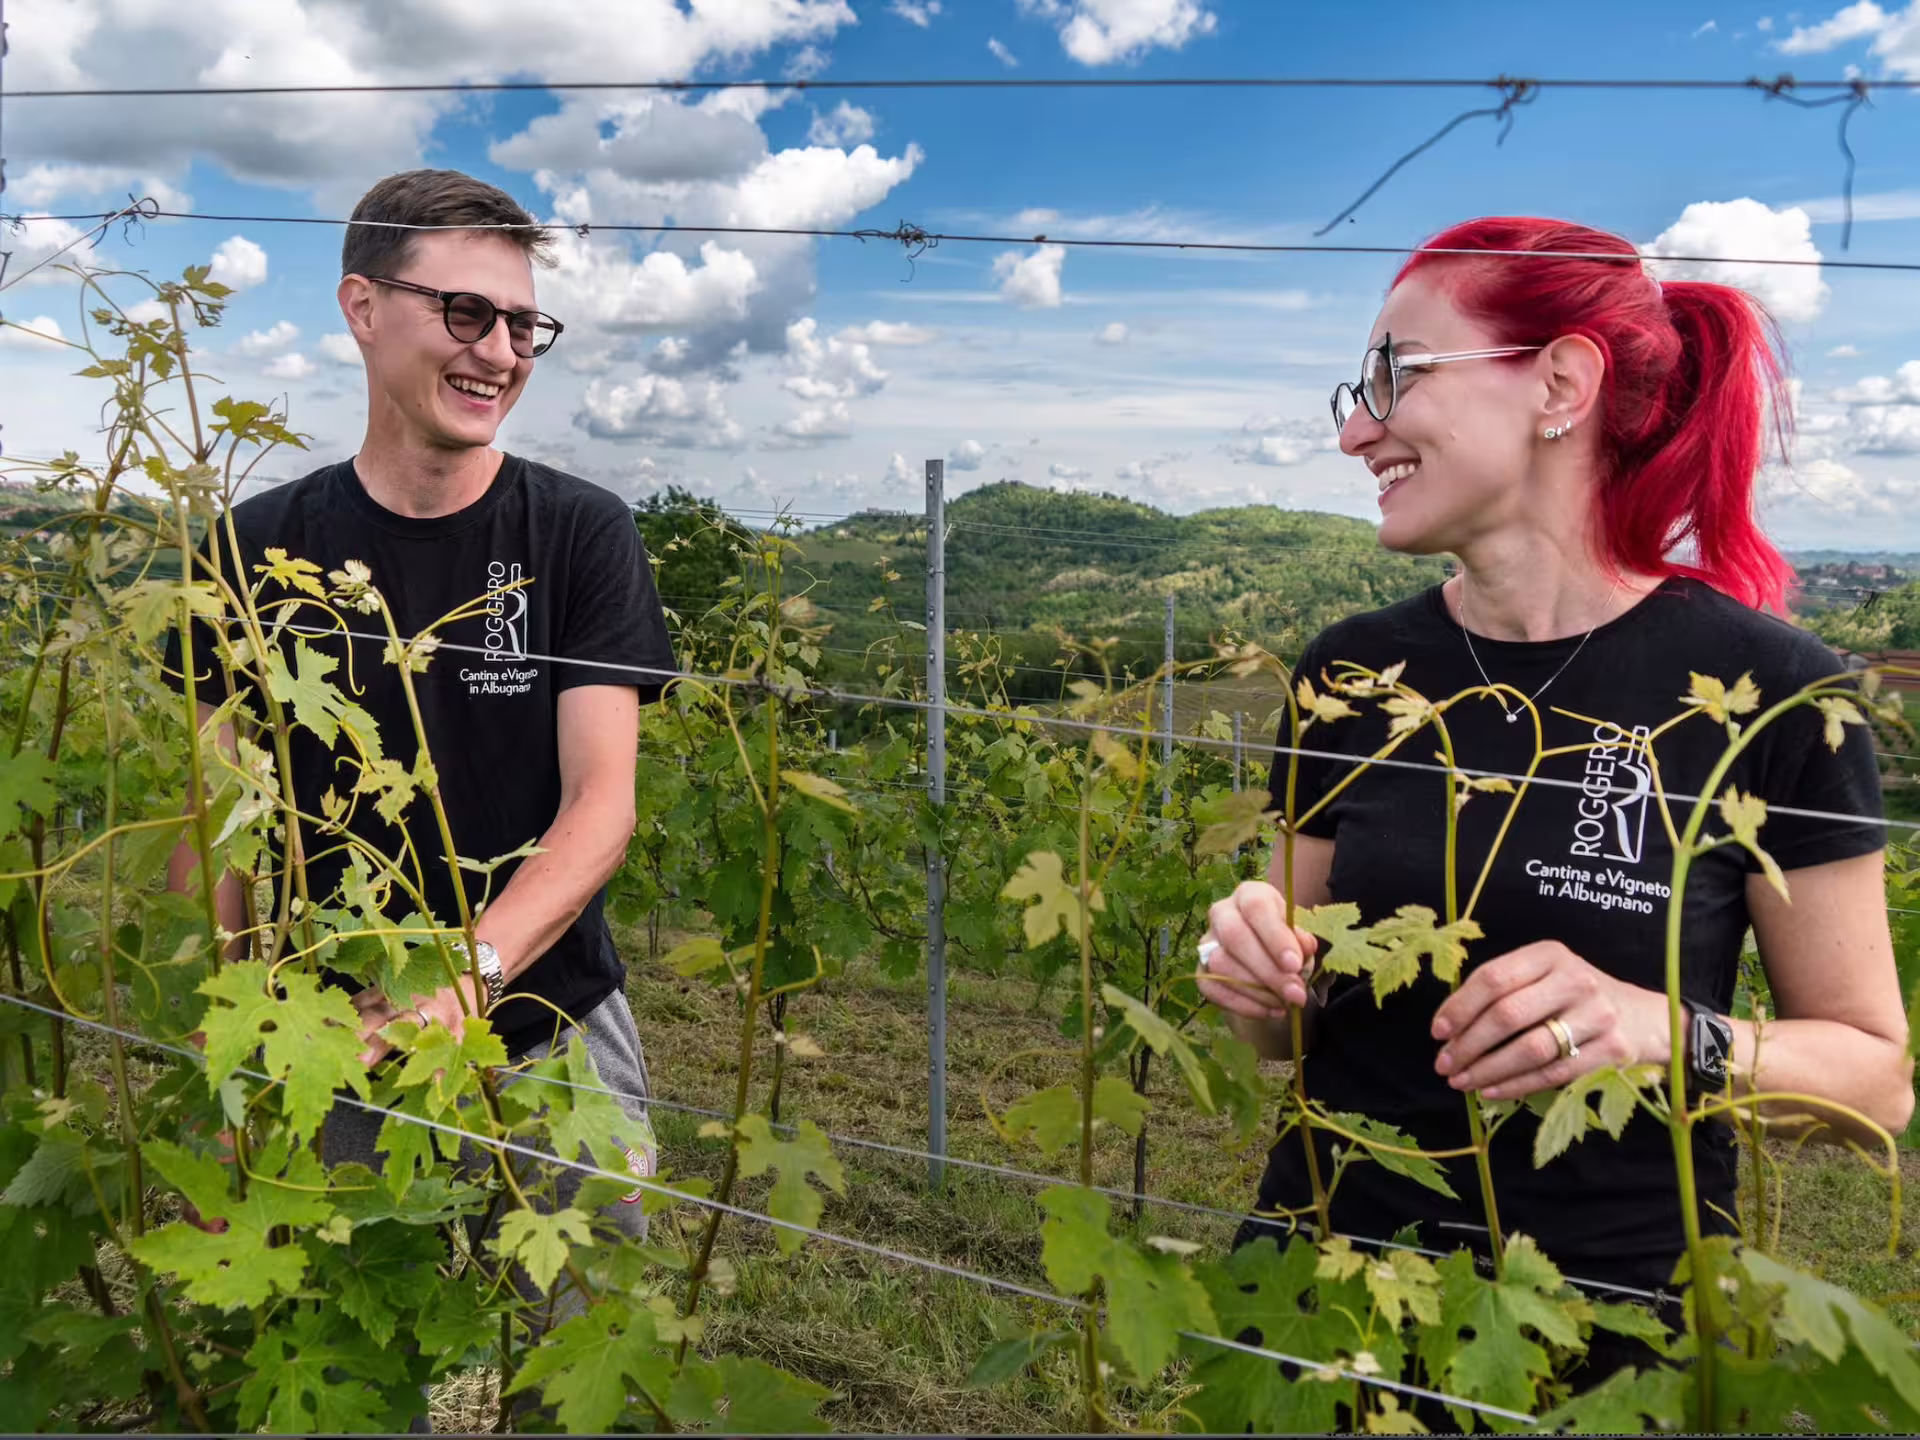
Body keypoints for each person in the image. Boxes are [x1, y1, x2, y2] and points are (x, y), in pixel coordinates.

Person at [1197, 217, 1913, 1316]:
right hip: (1318, 1288)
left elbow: (1874, 1083)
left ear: (1560, 384)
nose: (1355, 432)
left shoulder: (1779, 695)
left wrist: (1661, 1032)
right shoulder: (1349, 671)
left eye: (1395, 373)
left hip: (1608, 1327)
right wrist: (1252, 975)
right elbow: (1284, 1034)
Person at [164, 170, 671, 1302]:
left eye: (523, 323)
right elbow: (222, 827)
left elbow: (602, 809)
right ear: (362, 307)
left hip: (549, 1028)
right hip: (322, 1037)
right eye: (465, 313)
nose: (500, 350)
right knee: (335, 1340)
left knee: (586, 1357)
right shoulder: (247, 551)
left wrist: (456, 993)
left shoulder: (581, 534)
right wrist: (233, 1051)